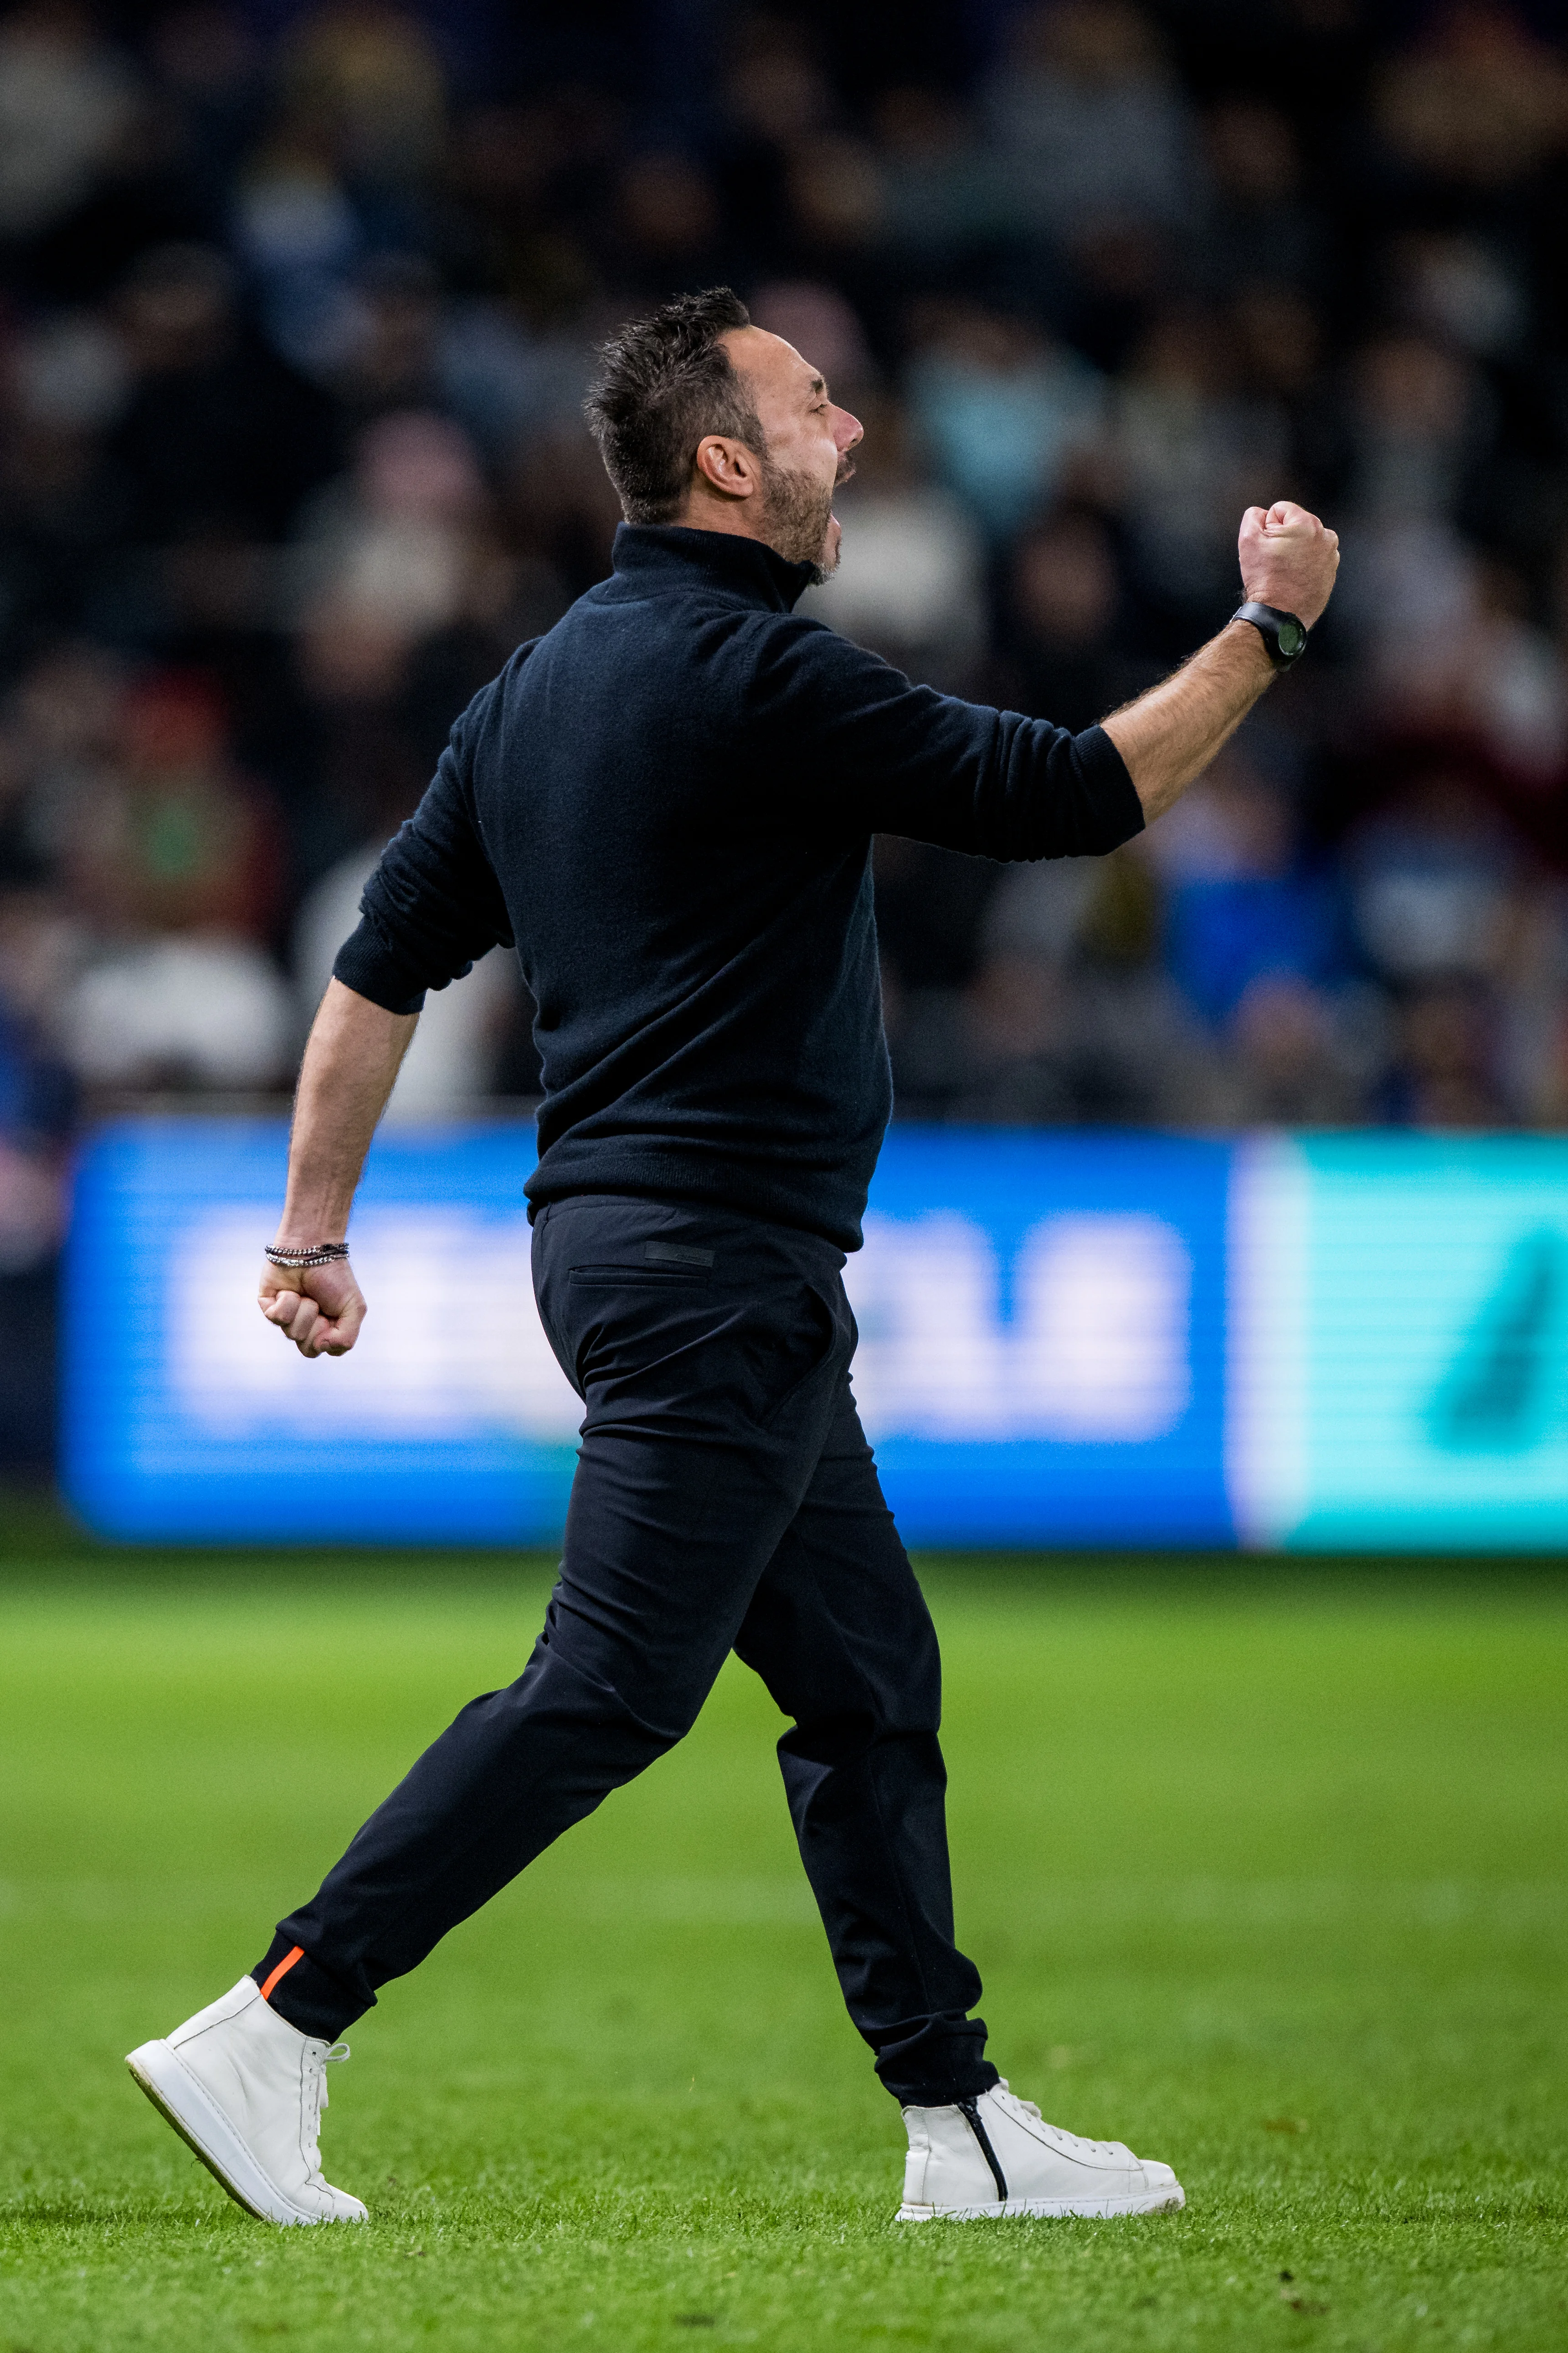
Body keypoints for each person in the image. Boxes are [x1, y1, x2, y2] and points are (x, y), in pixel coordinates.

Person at [125, 288, 1338, 2228]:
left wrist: (310, 1230)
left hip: (628, 1252)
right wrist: (1269, 621)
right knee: (608, 1688)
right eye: (816, 406)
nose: (849, 433)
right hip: (711, 1270)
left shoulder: (529, 693)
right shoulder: (760, 677)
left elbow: (375, 970)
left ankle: (957, 2128)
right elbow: (1078, 795)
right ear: (724, 461)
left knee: (866, 1679)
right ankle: (278, 2020)